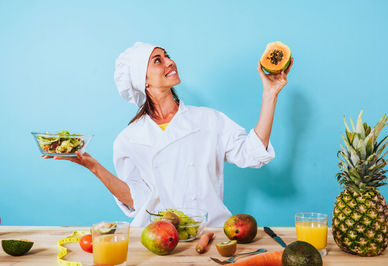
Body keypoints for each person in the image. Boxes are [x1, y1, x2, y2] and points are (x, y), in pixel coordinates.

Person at [43, 42, 293, 226]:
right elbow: (136, 199)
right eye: (157, 60)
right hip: (155, 239)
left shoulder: (209, 120)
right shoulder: (128, 139)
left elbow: (252, 154)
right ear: (144, 81)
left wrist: (269, 95)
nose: (169, 62)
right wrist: (93, 166)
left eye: (167, 56)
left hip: (210, 234)